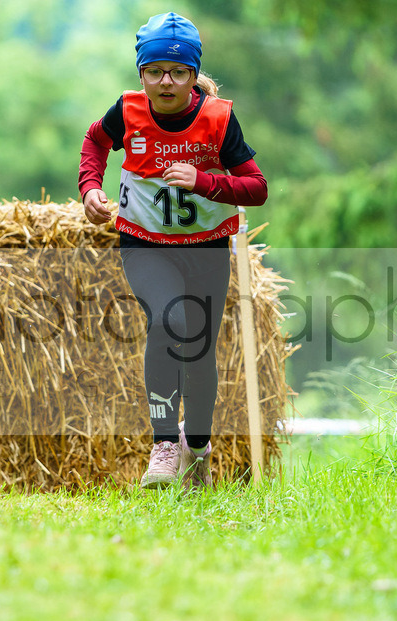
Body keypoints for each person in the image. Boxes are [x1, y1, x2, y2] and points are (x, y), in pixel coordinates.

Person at [78, 12, 268, 491]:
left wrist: (205, 181)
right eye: (155, 71)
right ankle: (164, 445)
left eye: (178, 72)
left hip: (205, 248)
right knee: (168, 320)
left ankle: (196, 447)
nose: (166, 82)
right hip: (144, 243)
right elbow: (95, 142)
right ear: (141, 73)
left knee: (199, 351)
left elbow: (257, 187)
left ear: (192, 75)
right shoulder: (127, 110)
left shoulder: (218, 119)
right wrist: (89, 189)